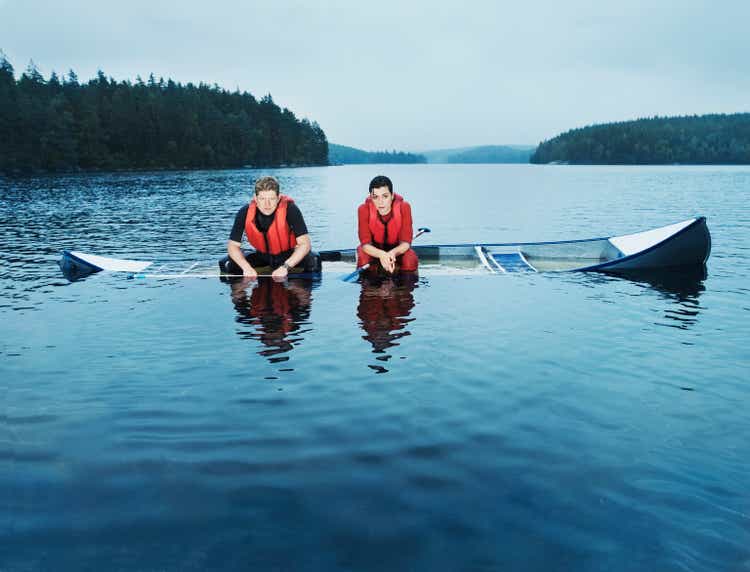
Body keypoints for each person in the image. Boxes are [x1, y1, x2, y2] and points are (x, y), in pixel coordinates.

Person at [223, 176, 320, 279]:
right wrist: (246, 267)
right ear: (255, 198)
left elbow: (305, 244)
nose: (267, 204)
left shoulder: (291, 210)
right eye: (262, 199)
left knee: (313, 260)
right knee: (228, 263)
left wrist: (285, 267)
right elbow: (232, 246)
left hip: (288, 255)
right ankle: (243, 289)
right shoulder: (245, 212)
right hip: (262, 256)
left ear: (278, 198)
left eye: (271, 199)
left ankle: (297, 289)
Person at [357, 175, 418, 273]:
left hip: (397, 250)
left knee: (410, 259)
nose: (380, 202)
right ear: (370, 197)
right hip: (373, 250)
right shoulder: (363, 210)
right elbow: (365, 244)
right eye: (375, 197)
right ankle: (368, 286)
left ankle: (405, 286)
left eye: (385, 196)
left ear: (392, 195)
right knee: (363, 258)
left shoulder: (404, 208)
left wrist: (391, 254)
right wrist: (382, 255)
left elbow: (406, 243)